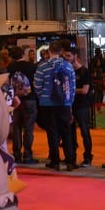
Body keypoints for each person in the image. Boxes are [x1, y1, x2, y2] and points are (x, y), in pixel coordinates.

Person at [34, 41, 77, 171]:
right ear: (61, 51)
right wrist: (70, 102)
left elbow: (37, 86)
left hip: (47, 104)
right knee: (66, 132)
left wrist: (43, 98)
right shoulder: (68, 66)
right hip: (64, 103)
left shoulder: (42, 67)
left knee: (52, 132)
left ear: (49, 51)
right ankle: (70, 161)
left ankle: (55, 161)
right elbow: (72, 87)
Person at [7, 46, 38, 163]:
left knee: (16, 128)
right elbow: (35, 82)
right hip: (29, 99)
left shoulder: (10, 68)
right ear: (23, 54)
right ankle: (28, 155)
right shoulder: (31, 66)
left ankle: (17, 154)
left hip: (15, 100)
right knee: (28, 129)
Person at [64, 47, 93, 166]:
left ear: (75, 56)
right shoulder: (66, 71)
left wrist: (70, 90)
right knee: (70, 132)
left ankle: (88, 157)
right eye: (64, 56)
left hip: (82, 106)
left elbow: (85, 90)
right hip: (69, 106)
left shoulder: (84, 71)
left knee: (84, 132)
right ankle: (71, 157)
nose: (66, 59)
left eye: (68, 56)